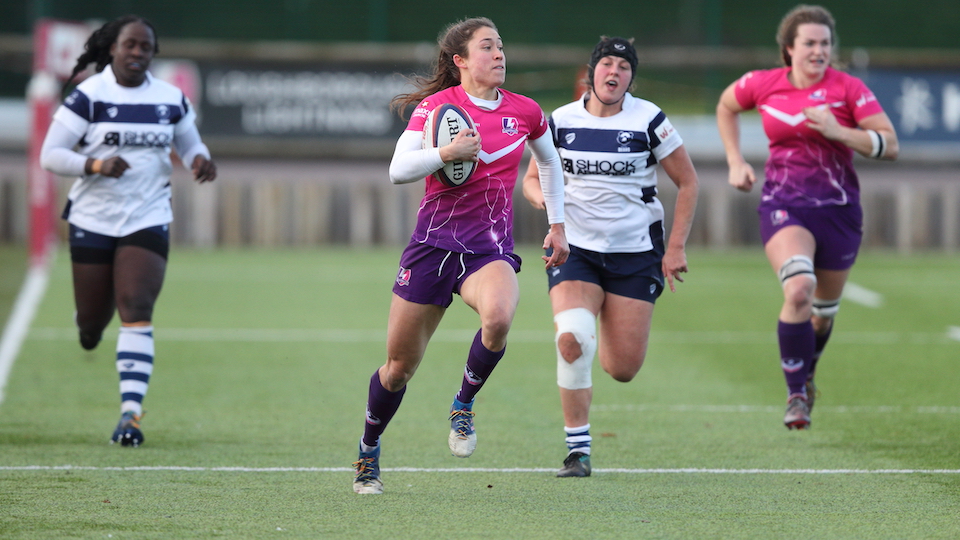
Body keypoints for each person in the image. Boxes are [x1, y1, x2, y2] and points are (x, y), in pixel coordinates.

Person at [352, 16, 569, 494]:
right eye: (487, 47)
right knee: (398, 369)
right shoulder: (435, 108)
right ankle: (368, 450)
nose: (499, 54)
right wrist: (446, 152)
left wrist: (557, 225)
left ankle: (463, 405)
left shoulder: (527, 111)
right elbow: (398, 169)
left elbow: (549, 161)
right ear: (461, 61)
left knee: (498, 316)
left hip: (488, 249)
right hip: (431, 248)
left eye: (501, 45)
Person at [522, 36, 700, 477]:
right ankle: (577, 452)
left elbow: (689, 182)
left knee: (622, 368)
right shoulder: (560, 121)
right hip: (575, 250)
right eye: (607, 64)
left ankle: (607, 313)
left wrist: (675, 247)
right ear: (591, 72)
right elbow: (530, 179)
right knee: (573, 339)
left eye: (623, 66)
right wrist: (548, 204)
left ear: (631, 79)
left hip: (636, 254)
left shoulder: (649, 120)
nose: (614, 72)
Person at [716, 4, 898, 430]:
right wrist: (735, 161)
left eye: (825, 43)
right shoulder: (763, 85)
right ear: (789, 49)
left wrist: (839, 131)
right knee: (799, 289)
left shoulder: (848, 89)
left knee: (822, 313)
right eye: (809, 43)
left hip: (839, 212)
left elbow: (890, 145)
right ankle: (796, 394)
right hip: (784, 205)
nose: (818, 51)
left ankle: (807, 372)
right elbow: (726, 106)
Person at [40, 15, 217, 447]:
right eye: (130, 45)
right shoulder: (89, 96)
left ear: (153, 53)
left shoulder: (169, 98)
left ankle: (130, 416)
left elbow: (190, 142)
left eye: (145, 47)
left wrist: (199, 159)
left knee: (136, 304)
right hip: (92, 218)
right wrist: (95, 165)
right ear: (113, 49)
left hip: (148, 214)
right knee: (90, 325)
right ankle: (89, 327)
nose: (138, 53)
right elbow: (51, 154)